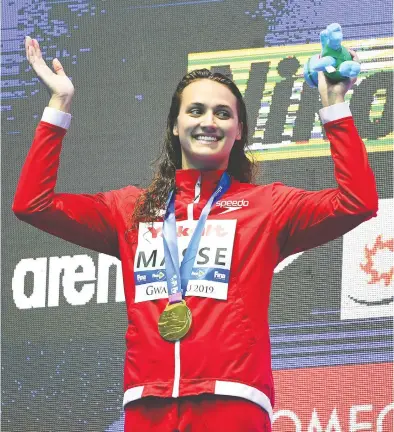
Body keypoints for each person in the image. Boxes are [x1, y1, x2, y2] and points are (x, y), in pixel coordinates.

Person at [13, 36, 378, 432]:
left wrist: (334, 107)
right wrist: (59, 105)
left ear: (239, 130)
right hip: (147, 405)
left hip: (233, 403)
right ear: (175, 124)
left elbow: (356, 201)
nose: (208, 121)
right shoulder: (131, 209)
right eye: (196, 110)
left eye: (223, 113)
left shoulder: (267, 206)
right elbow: (33, 203)